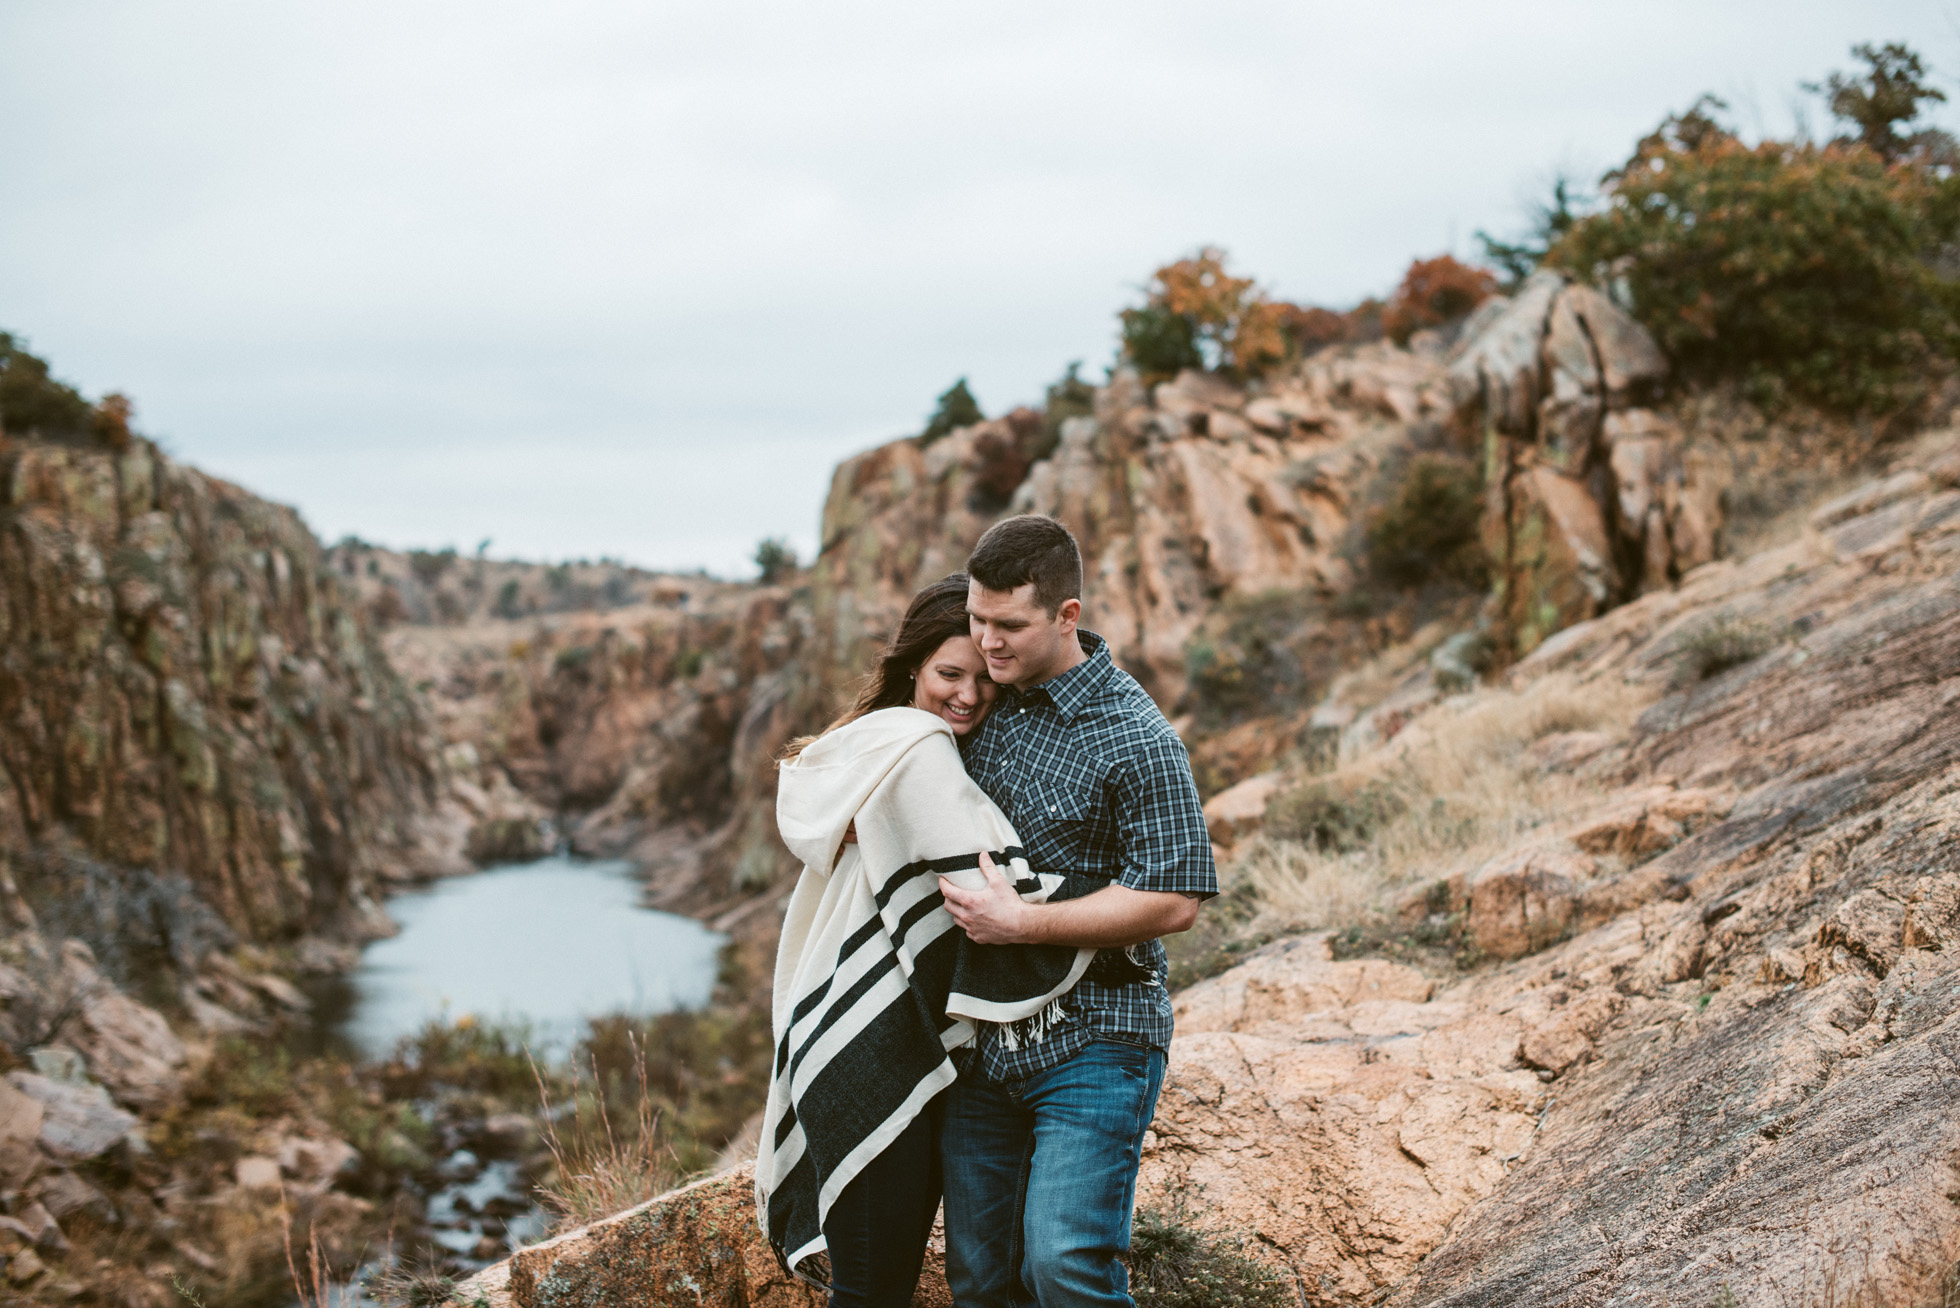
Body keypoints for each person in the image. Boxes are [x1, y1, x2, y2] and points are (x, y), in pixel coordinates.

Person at [758, 573, 1095, 1308]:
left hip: (850, 1038)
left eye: (984, 679)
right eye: (949, 673)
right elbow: (993, 883)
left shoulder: (867, 746)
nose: (968, 696)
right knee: (875, 1288)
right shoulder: (919, 752)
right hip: (871, 1047)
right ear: (913, 665)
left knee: (876, 1282)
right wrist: (1108, 910)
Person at [937, 515, 1216, 1308]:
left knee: (1063, 1264)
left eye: (1010, 625)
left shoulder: (1138, 737)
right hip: (982, 1040)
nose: (988, 643)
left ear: (1067, 616)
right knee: (982, 1281)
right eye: (977, 620)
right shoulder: (982, 701)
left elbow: (1174, 897)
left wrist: (1025, 924)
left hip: (1098, 1036)